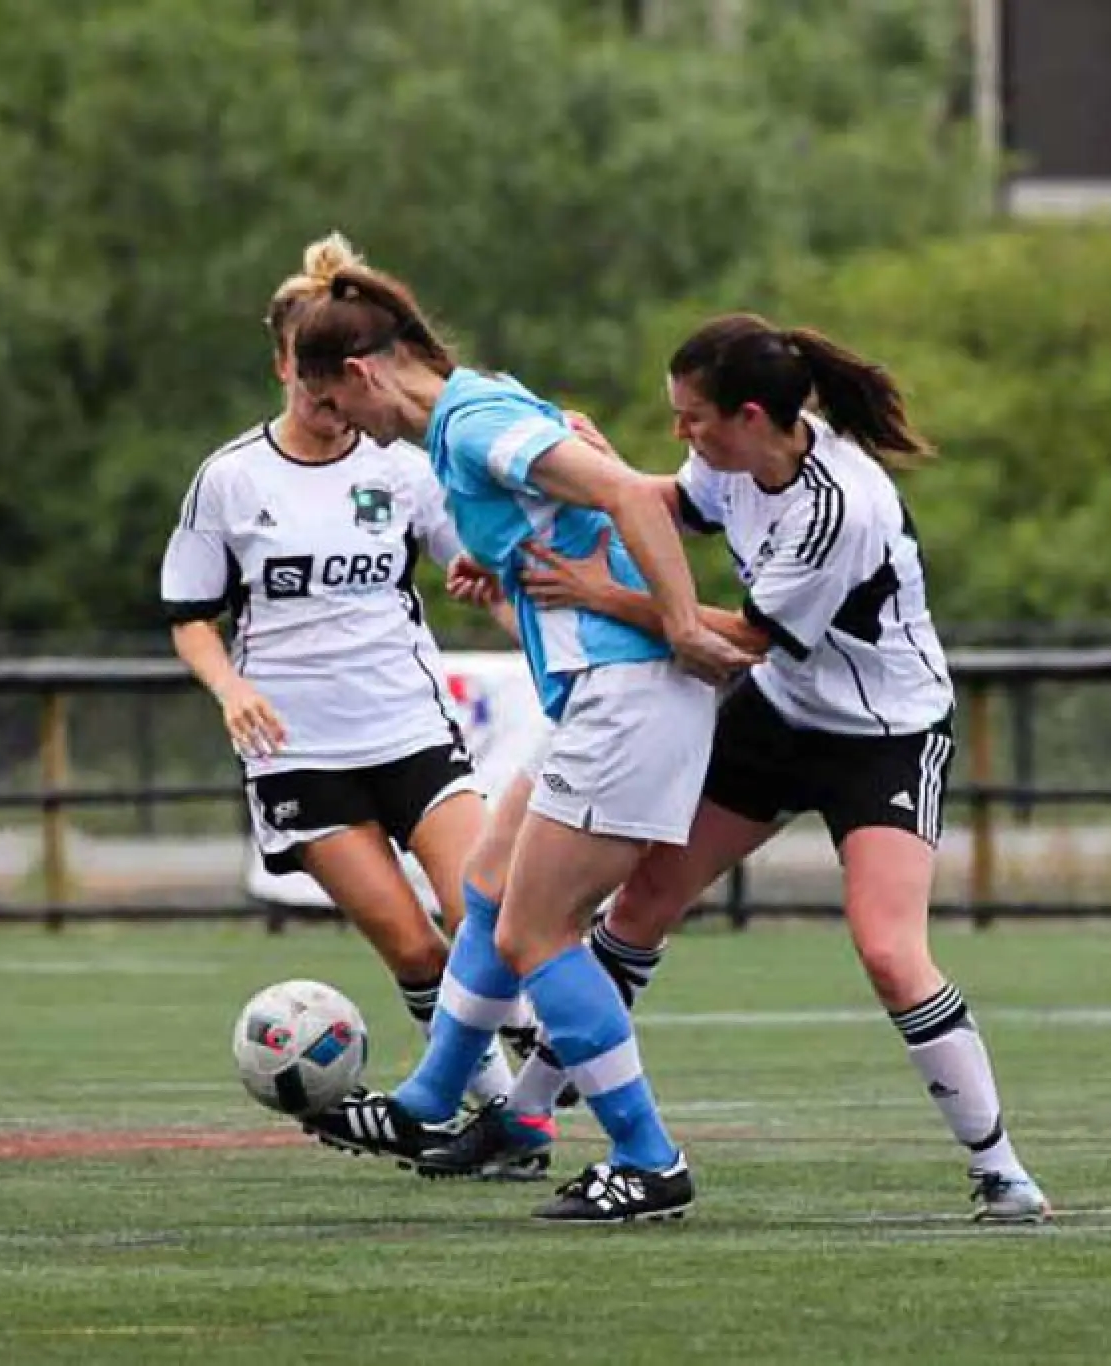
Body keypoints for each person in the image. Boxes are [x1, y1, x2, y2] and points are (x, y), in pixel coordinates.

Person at [414, 314, 1052, 1224]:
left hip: (885, 735)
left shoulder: (840, 506)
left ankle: (1002, 1169)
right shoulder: (728, 463)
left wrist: (601, 596)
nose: (683, 436)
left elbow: (746, 638)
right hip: (782, 713)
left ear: (752, 416)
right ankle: (524, 1118)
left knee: (887, 950)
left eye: (692, 419)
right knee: (638, 907)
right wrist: (523, 543)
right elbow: (657, 507)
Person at [289, 265, 758, 1223]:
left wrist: (677, 622)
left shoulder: (470, 424)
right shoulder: (479, 410)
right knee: (490, 887)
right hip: (599, 692)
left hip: (630, 696)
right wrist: (502, 584)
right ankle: (429, 1103)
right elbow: (573, 539)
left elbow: (629, 496)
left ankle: (648, 1157)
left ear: (365, 370)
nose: (339, 422)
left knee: (533, 932)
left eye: (332, 399)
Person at [160, 234, 522, 1112]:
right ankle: (506, 1114)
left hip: (407, 726)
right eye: (309, 379)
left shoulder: (402, 466)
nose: (327, 403)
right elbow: (189, 618)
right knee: (414, 950)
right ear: (286, 361)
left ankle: (521, 1100)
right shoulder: (231, 480)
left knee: (486, 914)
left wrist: (541, 633)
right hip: (301, 753)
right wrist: (233, 689)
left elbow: (483, 568)